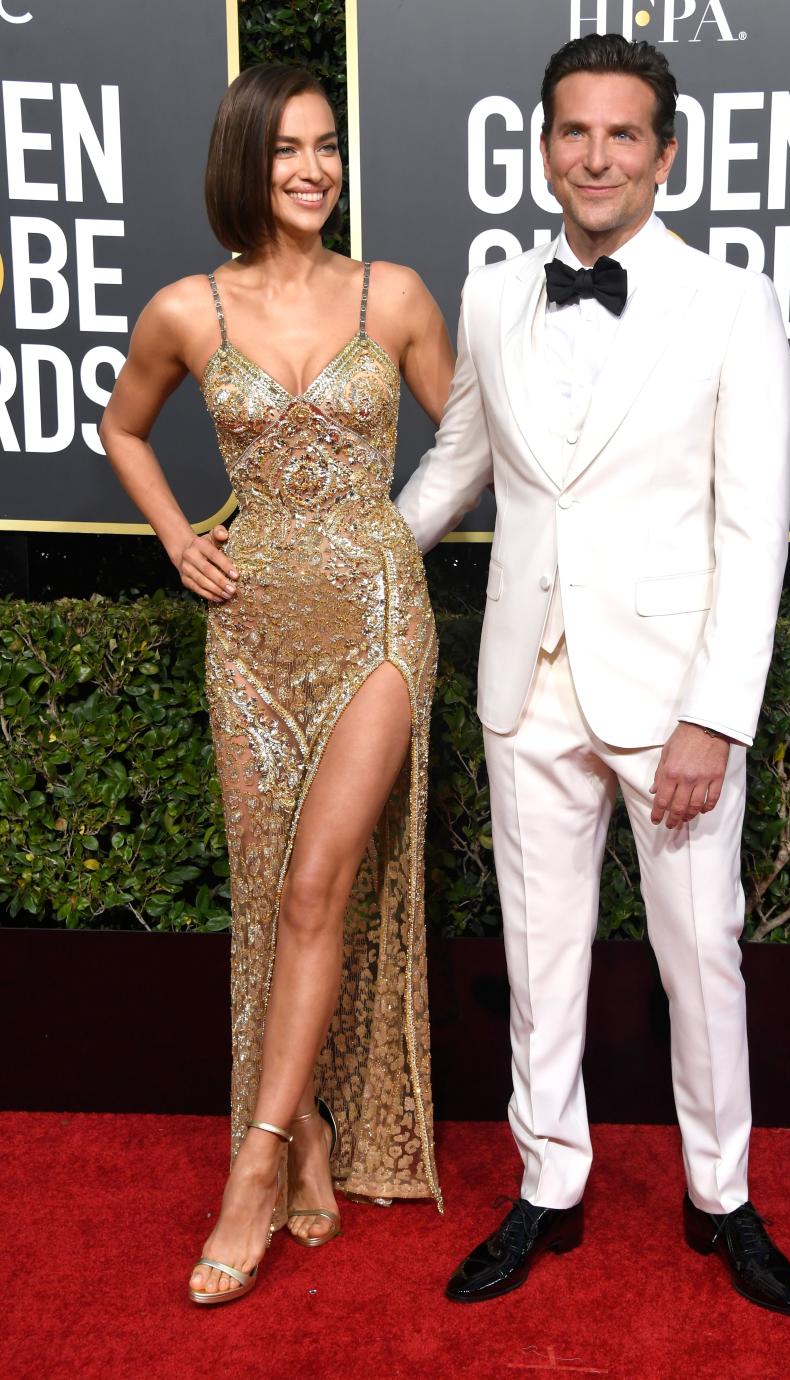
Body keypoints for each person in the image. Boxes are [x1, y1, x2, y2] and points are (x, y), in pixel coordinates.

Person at [396, 34, 790, 1315]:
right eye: (574, 132)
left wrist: (712, 716)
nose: (595, 156)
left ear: (665, 154)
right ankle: (548, 1184)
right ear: (542, 147)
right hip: (528, 684)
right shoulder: (493, 296)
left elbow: (755, 529)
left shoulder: (728, 300)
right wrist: (341, 554)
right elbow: (457, 467)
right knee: (542, 954)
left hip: (671, 698)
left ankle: (723, 1196)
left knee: (702, 954)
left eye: (622, 134)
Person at [100, 64, 453, 1305]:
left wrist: (392, 538)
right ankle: (301, 1128)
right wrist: (175, 533)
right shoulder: (186, 310)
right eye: (288, 149)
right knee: (268, 896)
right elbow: (123, 426)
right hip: (249, 629)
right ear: (243, 163)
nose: (312, 169)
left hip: (375, 621)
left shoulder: (395, 294)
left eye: (327, 148)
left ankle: (251, 1168)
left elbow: (468, 441)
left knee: (317, 885)